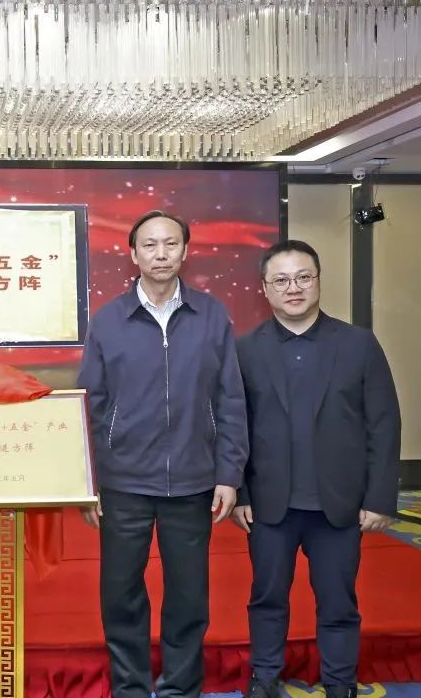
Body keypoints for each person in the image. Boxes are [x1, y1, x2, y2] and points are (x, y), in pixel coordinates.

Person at [77, 209, 249, 698]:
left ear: (185, 252)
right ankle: (130, 687)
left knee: (189, 597)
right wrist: (88, 482)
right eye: (149, 245)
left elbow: (230, 399)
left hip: (194, 480)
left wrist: (228, 473)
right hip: (123, 482)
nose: (160, 254)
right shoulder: (109, 320)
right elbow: (90, 405)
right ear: (133, 254)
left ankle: (180, 687)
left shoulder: (211, 315)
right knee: (121, 594)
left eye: (170, 244)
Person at [233, 240, 400, 698]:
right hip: (269, 505)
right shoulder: (244, 350)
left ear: (319, 281)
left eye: (303, 277)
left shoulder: (358, 344)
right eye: (282, 280)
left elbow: (384, 424)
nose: (294, 288)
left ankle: (340, 683)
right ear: (265, 288)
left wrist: (380, 498)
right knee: (267, 599)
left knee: (339, 603)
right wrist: (240, 493)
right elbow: (234, 427)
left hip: (339, 504)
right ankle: (264, 678)